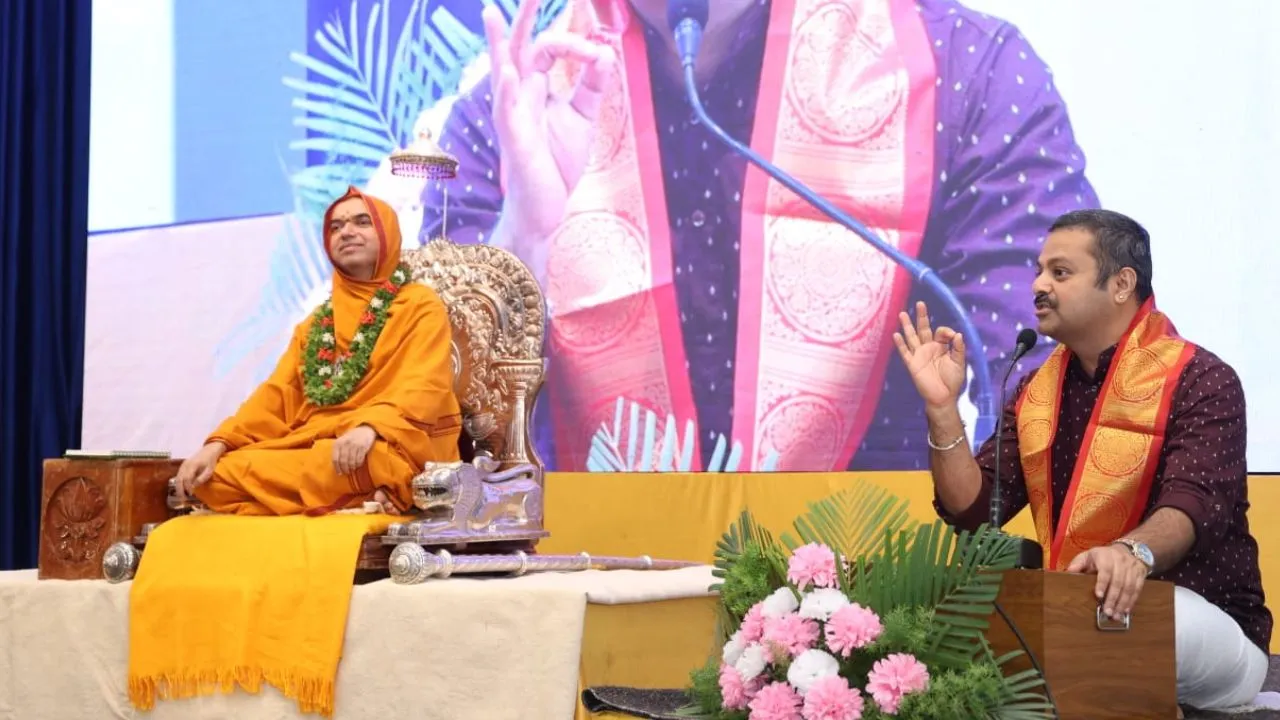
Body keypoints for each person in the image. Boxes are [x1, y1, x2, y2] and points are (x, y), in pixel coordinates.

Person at [414, 0, 1101, 473]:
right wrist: (525, 243)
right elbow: (435, 436)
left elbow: (1062, 375)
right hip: (586, 607)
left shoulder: (964, 72)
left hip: (882, 607)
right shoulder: (513, 118)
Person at [895, 209, 1270, 710]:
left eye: (1060, 272)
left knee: (1118, 625)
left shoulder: (1200, 379)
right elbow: (976, 509)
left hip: (1204, 618)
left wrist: (1131, 553)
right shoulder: (1036, 392)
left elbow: (1194, 503)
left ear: (1121, 284)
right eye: (1038, 271)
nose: (1038, 285)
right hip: (1077, 613)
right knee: (993, 630)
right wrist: (942, 409)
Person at [173, 187, 462, 516]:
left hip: (387, 441)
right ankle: (363, 497)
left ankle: (347, 492)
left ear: (388, 234)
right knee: (216, 476)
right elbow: (275, 396)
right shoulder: (315, 325)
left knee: (374, 461)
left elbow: (425, 384)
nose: (347, 232)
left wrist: (371, 427)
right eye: (336, 227)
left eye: (362, 222)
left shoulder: (419, 305)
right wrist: (218, 444)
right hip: (316, 450)